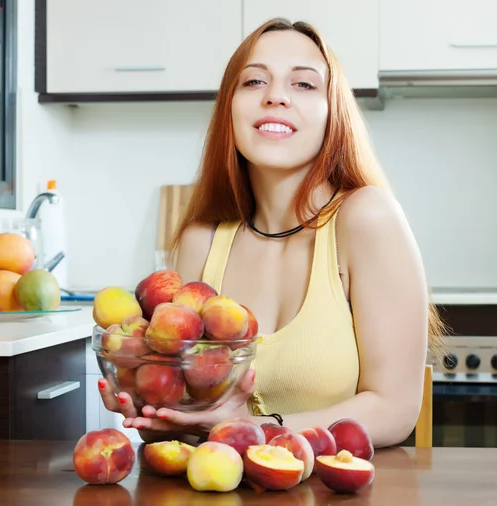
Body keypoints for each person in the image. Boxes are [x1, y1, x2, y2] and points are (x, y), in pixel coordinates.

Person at [99, 17, 446, 449]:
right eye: (253, 81)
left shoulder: (367, 219)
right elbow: (197, 414)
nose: (275, 97)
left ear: (332, 112)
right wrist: (158, 409)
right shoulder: (200, 241)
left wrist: (261, 429)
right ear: (229, 106)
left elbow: (394, 409)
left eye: (303, 85)